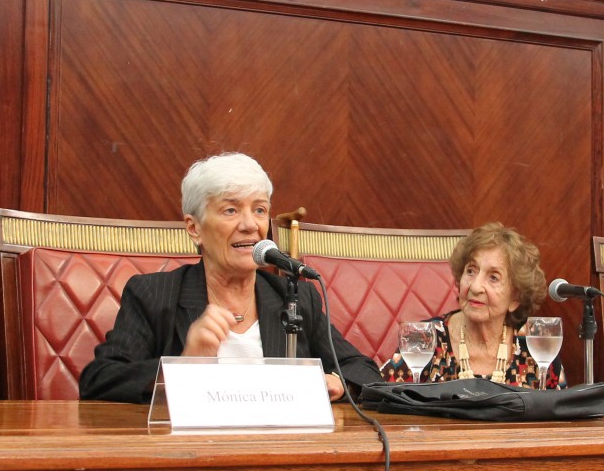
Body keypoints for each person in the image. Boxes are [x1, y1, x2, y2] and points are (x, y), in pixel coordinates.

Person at [78, 152, 381, 403]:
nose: (250, 225)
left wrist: (337, 382)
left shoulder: (296, 297)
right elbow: (99, 380)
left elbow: (362, 369)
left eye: (260, 210)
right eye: (231, 210)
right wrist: (182, 367)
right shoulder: (154, 294)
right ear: (194, 228)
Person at [381, 222, 567, 390]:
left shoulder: (534, 346)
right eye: (471, 271)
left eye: (493, 277)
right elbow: (383, 402)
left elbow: (563, 421)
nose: (476, 286)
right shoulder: (425, 340)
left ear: (515, 298)